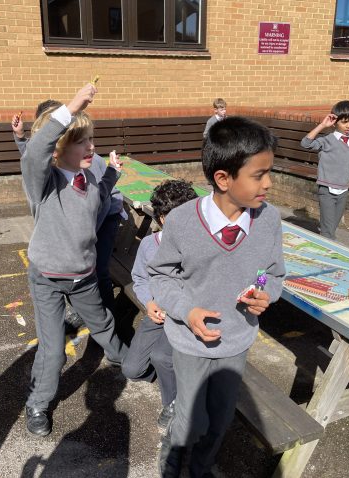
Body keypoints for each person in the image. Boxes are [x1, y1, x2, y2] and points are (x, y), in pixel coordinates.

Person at [148, 116, 286, 478]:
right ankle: (172, 461)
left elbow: (270, 270)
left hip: (236, 342)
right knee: (190, 420)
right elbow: (161, 275)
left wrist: (263, 290)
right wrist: (186, 309)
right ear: (223, 178)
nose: (269, 184)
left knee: (221, 418)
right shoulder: (181, 222)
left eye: (269, 172)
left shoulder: (268, 220)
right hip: (190, 342)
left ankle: (201, 468)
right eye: (259, 175)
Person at [22, 83, 127, 437]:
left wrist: (112, 171)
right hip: (47, 278)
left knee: (102, 322)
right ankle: (38, 402)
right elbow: (34, 152)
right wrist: (71, 107)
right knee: (53, 351)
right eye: (83, 141)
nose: (92, 147)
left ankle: (121, 357)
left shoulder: (90, 178)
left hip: (82, 276)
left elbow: (99, 196)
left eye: (91, 140)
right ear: (60, 148)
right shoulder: (45, 183)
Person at [12, 101, 127, 320]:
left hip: (105, 215)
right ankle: (90, 312)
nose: (90, 146)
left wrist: (83, 239)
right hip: (88, 216)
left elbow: (96, 205)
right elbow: (34, 157)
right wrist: (20, 138)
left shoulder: (82, 161)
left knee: (99, 271)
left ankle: (106, 317)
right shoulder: (62, 161)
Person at [121, 179, 198, 430]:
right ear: (163, 218)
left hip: (185, 317)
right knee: (132, 369)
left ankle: (174, 402)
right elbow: (140, 279)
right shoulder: (149, 245)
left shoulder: (199, 246)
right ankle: (173, 376)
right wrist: (149, 303)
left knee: (162, 356)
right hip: (158, 313)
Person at [301, 100, 349, 240]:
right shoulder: (327, 140)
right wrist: (322, 125)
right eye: (344, 122)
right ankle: (328, 253)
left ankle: (323, 243)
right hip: (326, 189)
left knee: (331, 227)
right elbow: (305, 144)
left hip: (343, 190)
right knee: (328, 232)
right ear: (335, 122)